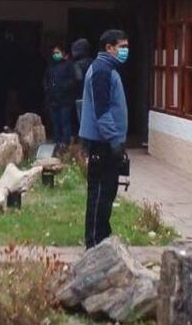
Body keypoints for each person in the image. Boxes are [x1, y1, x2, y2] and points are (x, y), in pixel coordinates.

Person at [79, 29, 129, 249]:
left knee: (107, 191)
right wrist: (114, 140)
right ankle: (95, 242)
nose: (125, 51)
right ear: (109, 47)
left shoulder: (108, 69)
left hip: (107, 141)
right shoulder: (101, 70)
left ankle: (102, 236)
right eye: (122, 46)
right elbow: (102, 111)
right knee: (100, 192)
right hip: (102, 142)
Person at [44, 44, 76, 148]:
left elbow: (73, 80)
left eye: (57, 52)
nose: (55, 55)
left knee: (65, 122)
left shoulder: (68, 65)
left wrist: (63, 87)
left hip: (65, 100)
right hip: (53, 100)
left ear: (63, 53)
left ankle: (65, 143)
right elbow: (46, 80)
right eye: (54, 53)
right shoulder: (51, 66)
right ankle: (56, 143)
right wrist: (48, 88)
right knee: (55, 122)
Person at [71, 38, 94, 133]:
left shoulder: (77, 65)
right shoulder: (94, 62)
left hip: (81, 96)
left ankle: (86, 144)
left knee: (83, 123)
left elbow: (78, 78)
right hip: (93, 95)